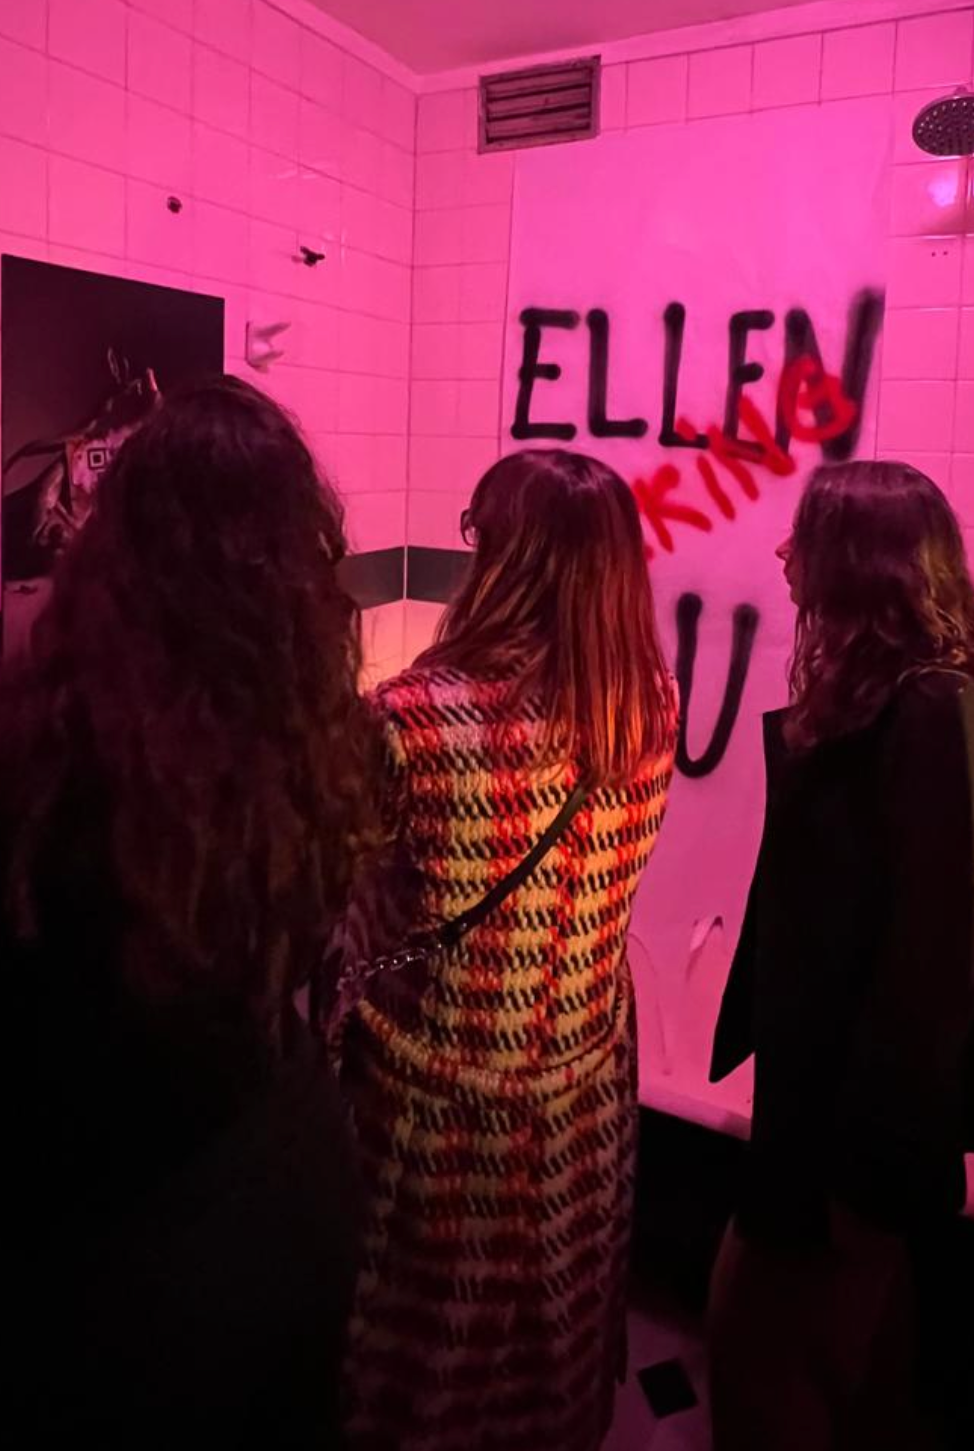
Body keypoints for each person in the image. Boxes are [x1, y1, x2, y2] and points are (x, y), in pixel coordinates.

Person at [0, 376, 380, 1451]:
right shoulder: (325, 740)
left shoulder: (9, 767)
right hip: (288, 1195)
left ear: (110, 548)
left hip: (92, 1281)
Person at [709, 460, 974, 1451]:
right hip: (819, 1114)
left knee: (757, 1358)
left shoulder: (938, 712)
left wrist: (868, 1182)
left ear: (861, 563)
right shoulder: (874, 702)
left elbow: (938, 972)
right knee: (841, 1369)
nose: (784, 550)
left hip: (851, 1144)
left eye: (806, 534)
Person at [337, 448, 678, 1451]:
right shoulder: (649, 707)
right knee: (548, 1359)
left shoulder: (408, 723)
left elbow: (347, 914)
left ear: (504, 557)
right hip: (580, 1101)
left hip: (434, 1113)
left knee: (422, 1377)